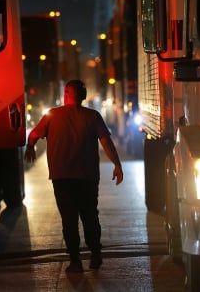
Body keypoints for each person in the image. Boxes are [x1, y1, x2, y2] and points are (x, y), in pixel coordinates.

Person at [24, 79, 124, 274]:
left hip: (62, 178)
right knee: (90, 216)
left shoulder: (52, 115)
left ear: (66, 94)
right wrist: (117, 164)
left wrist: (29, 147)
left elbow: (34, 134)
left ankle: (75, 262)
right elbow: (106, 142)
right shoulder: (93, 116)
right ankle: (95, 255)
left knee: (69, 221)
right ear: (83, 96)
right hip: (87, 177)